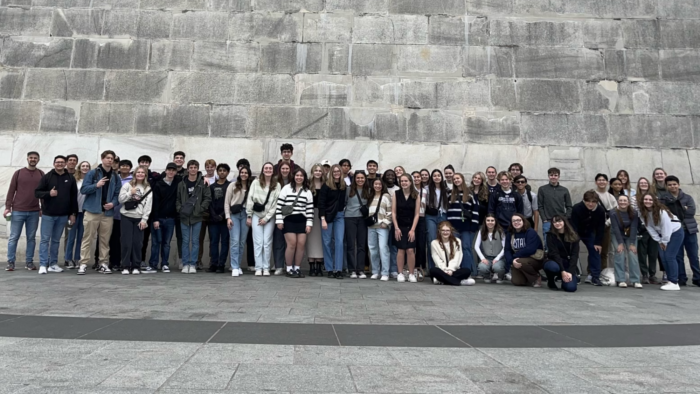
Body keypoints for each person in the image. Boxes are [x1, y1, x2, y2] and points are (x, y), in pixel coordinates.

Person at [78, 150, 120, 275]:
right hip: (92, 211)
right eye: (107, 158)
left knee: (104, 240)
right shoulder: (92, 173)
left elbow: (118, 194)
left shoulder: (115, 176)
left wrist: (113, 203)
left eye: (112, 158)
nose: (110, 160)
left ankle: (103, 263)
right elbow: (84, 189)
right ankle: (83, 263)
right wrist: (96, 185)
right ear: (102, 159)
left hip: (107, 213)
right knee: (87, 238)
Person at [34, 155, 78, 274]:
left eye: (62, 162)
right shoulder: (47, 177)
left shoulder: (70, 177)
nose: (59, 164)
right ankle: (43, 264)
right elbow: (37, 193)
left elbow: (74, 197)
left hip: (63, 215)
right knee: (45, 240)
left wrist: (73, 213)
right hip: (48, 214)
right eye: (57, 162)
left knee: (56, 240)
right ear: (54, 163)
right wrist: (49, 193)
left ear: (65, 164)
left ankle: (53, 264)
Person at [4, 151, 44, 271]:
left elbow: (43, 193)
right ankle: (10, 262)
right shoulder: (19, 173)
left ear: (38, 160)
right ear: (27, 159)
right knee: (14, 237)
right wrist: (7, 207)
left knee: (31, 238)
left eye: (35, 158)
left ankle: (29, 262)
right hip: (18, 211)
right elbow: (11, 190)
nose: (33, 159)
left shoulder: (41, 174)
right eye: (31, 157)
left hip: (34, 211)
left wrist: (43, 208)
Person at [660, 176, 700, 287]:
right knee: (678, 256)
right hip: (675, 231)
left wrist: (676, 210)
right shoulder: (663, 199)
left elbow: (691, 212)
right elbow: (665, 214)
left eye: (674, 184)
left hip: (689, 230)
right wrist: (683, 208)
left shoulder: (687, 197)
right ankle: (681, 278)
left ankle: (697, 277)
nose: (672, 186)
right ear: (666, 186)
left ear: (678, 184)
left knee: (693, 255)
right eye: (670, 185)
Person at [640, 193, 684, 291]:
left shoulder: (661, 212)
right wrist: (659, 240)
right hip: (662, 236)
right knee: (663, 258)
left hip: (675, 232)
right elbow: (649, 228)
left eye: (650, 200)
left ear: (654, 201)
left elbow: (666, 227)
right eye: (645, 199)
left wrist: (664, 241)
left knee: (669, 256)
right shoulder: (643, 212)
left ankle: (674, 282)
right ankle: (670, 280)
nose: (648, 201)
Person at [276, 168, 314, 278]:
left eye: (301, 176)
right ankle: (289, 268)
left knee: (301, 244)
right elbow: (279, 206)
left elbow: (309, 209)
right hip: (288, 220)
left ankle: (297, 268)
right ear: (293, 176)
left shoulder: (307, 191)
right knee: (292, 244)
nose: (299, 177)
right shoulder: (286, 189)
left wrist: (309, 223)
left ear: (304, 178)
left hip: (302, 220)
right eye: (297, 175)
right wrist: (279, 220)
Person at [176, 160, 212, 274]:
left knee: (196, 241)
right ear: (187, 169)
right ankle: (185, 263)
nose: (192, 169)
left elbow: (207, 198)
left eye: (195, 167)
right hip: (184, 216)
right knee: (185, 241)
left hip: (197, 216)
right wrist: (180, 209)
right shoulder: (182, 184)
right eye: (190, 167)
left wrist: (200, 209)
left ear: (198, 169)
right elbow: (177, 199)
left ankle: (193, 264)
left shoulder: (202, 183)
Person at [246, 162, 280, 276]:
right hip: (256, 215)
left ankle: (266, 268)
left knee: (267, 242)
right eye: (266, 168)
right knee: (258, 242)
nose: (268, 170)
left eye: (270, 168)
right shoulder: (256, 182)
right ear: (263, 170)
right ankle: (258, 267)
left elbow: (276, 204)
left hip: (269, 217)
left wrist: (266, 218)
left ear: (273, 171)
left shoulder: (277, 185)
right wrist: (249, 215)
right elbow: (250, 199)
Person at [118, 166, 153, 275]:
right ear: (134, 174)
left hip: (139, 218)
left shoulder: (148, 188)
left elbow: (148, 205)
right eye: (138, 172)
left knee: (137, 243)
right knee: (126, 242)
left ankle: (136, 266)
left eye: (143, 172)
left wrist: (144, 219)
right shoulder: (127, 185)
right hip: (126, 216)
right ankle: (125, 265)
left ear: (145, 174)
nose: (140, 174)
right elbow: (120, 199)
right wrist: (130, 193)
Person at [150, 162, 181, 273]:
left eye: (173, 170)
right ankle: (153, 264)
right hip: (159, 218)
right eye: (169, 170)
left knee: (166, 243)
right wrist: (155, 219)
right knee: (155, 242)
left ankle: (164, 263)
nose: (171, 172)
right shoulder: (158, 184)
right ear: (166, 171)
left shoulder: (178, 183)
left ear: (176, 172)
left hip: (171, 219)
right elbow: (155, 203)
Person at [571, 191, 607, 286]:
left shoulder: (600, 210)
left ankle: (595, 276)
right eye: (588, 201)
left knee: (595, 250)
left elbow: (601, 227)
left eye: (593, 202)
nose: (590, 204)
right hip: (576, 232)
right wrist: (574, 239)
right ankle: (575, 274)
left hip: (590, 232)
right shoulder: (576, 208)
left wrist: (598, 242)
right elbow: (573, 225)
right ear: (584, 200)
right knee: (573, 250)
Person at [447, 173, 479, 272]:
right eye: (454, 179)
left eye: (458, 178)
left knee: (466, 247)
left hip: (466, 226)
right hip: (453, 226)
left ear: (462, 179)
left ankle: (467, 270)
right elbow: (448, 210)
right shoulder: (450, 194)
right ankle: (455, 270)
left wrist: (474, 225)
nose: (456, 180)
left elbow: (475, 210)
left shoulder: (470, 193)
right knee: (455, 249)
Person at [319, 164, 347, 279]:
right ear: (331, 172)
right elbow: (321, 203)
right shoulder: (326, 186)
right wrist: (323, 219)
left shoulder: (344, 185)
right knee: (327, 242)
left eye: (338, 171)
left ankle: (338, 269)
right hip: (327, 216)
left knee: (339, 242)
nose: (336, 173)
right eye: (334, 171)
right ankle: (329, 268)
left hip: (339, 216)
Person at [392, 174, 420, 283]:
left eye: (406, 181)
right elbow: (393, 212)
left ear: (410, 182)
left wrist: (413, 230)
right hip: (399, 225)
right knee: (400, 249)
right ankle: (400, 273)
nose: (404, 183)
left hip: (411, 225)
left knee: (410, 249)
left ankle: (411, 273)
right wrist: (396, 228)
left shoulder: (416, 195)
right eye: (402, 181)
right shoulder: (396, 194)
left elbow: (417, 214)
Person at [610, 195, 642, 288]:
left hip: (630, 234)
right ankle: (621, 279)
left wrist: (632, 243)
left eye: (625, 200)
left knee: (633, 254)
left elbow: (634, 227)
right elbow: (615, 228)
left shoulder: (634, 212)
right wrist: (620, 243)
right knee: (620, 253)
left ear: (628, 202)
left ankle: (635, 280)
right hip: (617, 234)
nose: (623, 202)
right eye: (620, 200)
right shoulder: (613, 213)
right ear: (617, 202)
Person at [429, 221, 475, 286]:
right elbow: (436, 259)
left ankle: (441, 280)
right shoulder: (434, 243)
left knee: (467, 271)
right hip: (441, 270)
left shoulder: (457, 241)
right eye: (443, 230)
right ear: (439, 231)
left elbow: (457, 258)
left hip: (453, 270)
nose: (445, 232)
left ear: (451, 231)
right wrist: (445, 270)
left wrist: (450, 269)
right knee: (433, 270)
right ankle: (459, 282)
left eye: (447, 230)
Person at [226, 165, 252, 277]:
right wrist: (228, 217)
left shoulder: (252, 186)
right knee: (235, 241)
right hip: (234, 215)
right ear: (239, 173)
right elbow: (227, 203)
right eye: (242, 172)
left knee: (242, 242)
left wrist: (250, 216)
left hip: (246, 214)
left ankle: (238, 265)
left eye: (246, 173)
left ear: (249, 174)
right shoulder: (232, 185)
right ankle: (234, 266)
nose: (244, 174)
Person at [64, 161, 91, 269]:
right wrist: (71, 212)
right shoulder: (74, 180)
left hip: (86, 212)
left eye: (87, 166)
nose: (85, 168)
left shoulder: (91, 180)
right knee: (71, 237)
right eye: (83, 166)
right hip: (74, 212)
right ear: (79, 168)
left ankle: (78, 258)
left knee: (81, 237)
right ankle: (68, 259)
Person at [505, 213, 544, 287]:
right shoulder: (510, 234)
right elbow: (507, 250)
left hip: (534, 259)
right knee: (517, 282)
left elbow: (530, 249)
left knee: (520, 261)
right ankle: (528, 278)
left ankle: (536, 277)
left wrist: (514, 257)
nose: (516, 222)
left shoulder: (530, 232)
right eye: (514, 221)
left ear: (523, 221)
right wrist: (511, 261)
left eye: (518, 220)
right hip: (519, 259)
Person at [108, 159, 133, 271]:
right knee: (114, 240)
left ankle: (127, 262)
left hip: (128, 214)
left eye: (127, 166)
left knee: (127, 240)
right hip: (114, 214)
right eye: (122, 165)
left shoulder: (133, 180)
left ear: (130, 168)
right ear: (119, 167)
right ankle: (115, 262)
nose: (124, 167)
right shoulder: (114, 178)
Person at [592, 173, 617, 283]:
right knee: (593, 250)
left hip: (606, 227)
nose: (601, 182)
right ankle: (591, 272)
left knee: (604, 251)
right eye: (599, 180)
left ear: (607, 182)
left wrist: (607, 223)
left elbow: (615, 212)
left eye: (603, 180)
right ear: (596, 182)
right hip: (593, 227)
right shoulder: (592, 194)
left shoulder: (611, 197)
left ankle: (601, 272)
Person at [543, 216, 579, 292]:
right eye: (554, 222)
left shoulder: (573, 235)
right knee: (553, 267)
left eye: (559, 221)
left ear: (564, 222)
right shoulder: (550, 235)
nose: (557, 223)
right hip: (554, 261)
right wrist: (563, 271)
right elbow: (554, 254)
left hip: (567, 263)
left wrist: (570, 272)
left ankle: (564, 281)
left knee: (571, 288)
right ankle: (551, 281)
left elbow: (574, 255)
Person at [635, 177, 660, 284]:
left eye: (645, 183)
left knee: (653, 253)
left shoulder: (655, 197)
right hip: (642, 230)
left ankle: (652, 274)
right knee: (642, 253)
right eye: (641, 183)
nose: (648, 201)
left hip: (654, 230)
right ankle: (644, 274)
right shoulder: (634, 198)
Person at [207, 163, 231, 274]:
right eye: (220, 170)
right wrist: (214, 215)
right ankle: (214, 263)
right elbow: (209, 202)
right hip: (213, 219)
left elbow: (231, 202)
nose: (222, 172)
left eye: (224, 170)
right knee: (213, 242)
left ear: (227, 172)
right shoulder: (211, 187)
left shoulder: (230, 186)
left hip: (225, 219)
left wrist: (222, 215)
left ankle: (221, 264)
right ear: (217, 172)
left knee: (225, 242)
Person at [367, 178, 392, 281]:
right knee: (373, 249)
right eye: (375, 184)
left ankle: (385, 272)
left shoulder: (386, 196)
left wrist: (385, 222)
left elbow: (390, 211)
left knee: (383, 248)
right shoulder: (370, 196)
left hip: (382, 226)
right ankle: (375, 271)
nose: (377, 186)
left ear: (382, 185)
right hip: (371, 226)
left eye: (379, 184)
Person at [345, 172, 368, 279]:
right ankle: (352, 269)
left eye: (362, 178)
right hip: (350, 218)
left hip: (362, 219)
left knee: (361, 245)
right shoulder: (348, 189)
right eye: (358, 178)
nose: (360, 180)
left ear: (365, 179)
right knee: (350, 244)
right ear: (354, 179)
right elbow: (344, 202)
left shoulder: (368, 190)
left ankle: (360, 269)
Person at [537, 167, 572, 236]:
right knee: (547, 243)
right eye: (551, 175)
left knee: (561, 242)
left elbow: (569, 206)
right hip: (548, 221)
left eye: (555, 175)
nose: (553, 177)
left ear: (558, 176)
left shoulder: (564, 190)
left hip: (561, 221)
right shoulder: (542, 189)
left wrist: (566, 218)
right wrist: (544, 219)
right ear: (548, 176)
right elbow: (540, 206)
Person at [196, 159, 217, 270]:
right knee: (199, 238)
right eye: (207, 167)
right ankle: (198, 260)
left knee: (213, 239)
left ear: (215, 167)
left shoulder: (219, 180)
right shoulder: (200, 180)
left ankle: (212, 261)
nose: (209, 169)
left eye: (211, 167)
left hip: (214, 213)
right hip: (202, 213)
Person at [272, 161, 293, 275]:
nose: (285, 170)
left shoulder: (294, 180)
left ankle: (289, 265)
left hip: (291, 214)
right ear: (279, 170)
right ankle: (279, 265)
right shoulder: (274, 181)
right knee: (278, 241)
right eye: (283, 168)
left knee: (290, 242)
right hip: (278, 214)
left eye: (287, 168)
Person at [137, 155, 159, 264]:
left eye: (146, 162)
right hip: (135, 212)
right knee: (135, 238)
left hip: (149, 212)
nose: (144, 164)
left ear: (149, 164)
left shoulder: (154, 176)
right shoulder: (134, 177)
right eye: (142, 162)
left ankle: (141, 260)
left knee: (145, 238)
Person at [425, 169, 448, 270]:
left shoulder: (446, 189)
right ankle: (432, 268)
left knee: (443, 240)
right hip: (430, 215)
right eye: (434, 175)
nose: (437, 177)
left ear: (441, 177)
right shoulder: (426, 189)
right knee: (432, 240)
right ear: (432, 177)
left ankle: (442, 266)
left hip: (443, 215)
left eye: (439, 175)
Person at [236, 158, 256, 273]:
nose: (242, 168)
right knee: (237, 239)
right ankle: (235, 263)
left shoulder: (253, 182)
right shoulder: (235, 182)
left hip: (251, 213)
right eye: (240, 166)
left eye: (244, 166)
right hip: (237, 213)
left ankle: (251, 263)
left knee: (250, 240)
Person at [306, 164, 325, 276]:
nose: (318, 172)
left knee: (320, 240)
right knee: (310, 240)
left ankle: (319, 266)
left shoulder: (326, 184)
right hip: (309, 213)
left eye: (319, 171)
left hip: (321, 215)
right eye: (315, 170)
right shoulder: (307, 184)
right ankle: (311, 266)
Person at [475, 214, 505, 283]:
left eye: (492, 220)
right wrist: (482, 258)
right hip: (487, 257)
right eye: (488, 220)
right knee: (482, 267)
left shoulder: (500, 231)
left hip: (499, 257)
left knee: (498, 267)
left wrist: (497, 258)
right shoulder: (481, 231)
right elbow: (476, 246)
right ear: (485, 221)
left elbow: (505, 247)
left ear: (495, 221)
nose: (490, 222)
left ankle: (500, 277)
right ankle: (487, 276)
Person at [411, 171, 428, 275]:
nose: (416, 179)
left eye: (418, 177)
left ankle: (420, 266)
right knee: (411, 243)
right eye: (414, 177)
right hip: (411, 218)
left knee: (421, 243)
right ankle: (410, 266)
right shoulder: (409, 190)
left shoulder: (425, 190)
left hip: (421, 218)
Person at [172, 151, 186, 261]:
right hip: (168, 210)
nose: (179, 159)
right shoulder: (168, 172)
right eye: (177, 157)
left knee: (181, 236)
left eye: (181, 158)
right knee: (164, 238)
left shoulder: (187, 173)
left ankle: (182, 259)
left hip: (181, 210)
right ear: (174, 159)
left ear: (184, 160)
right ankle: (163, 262)